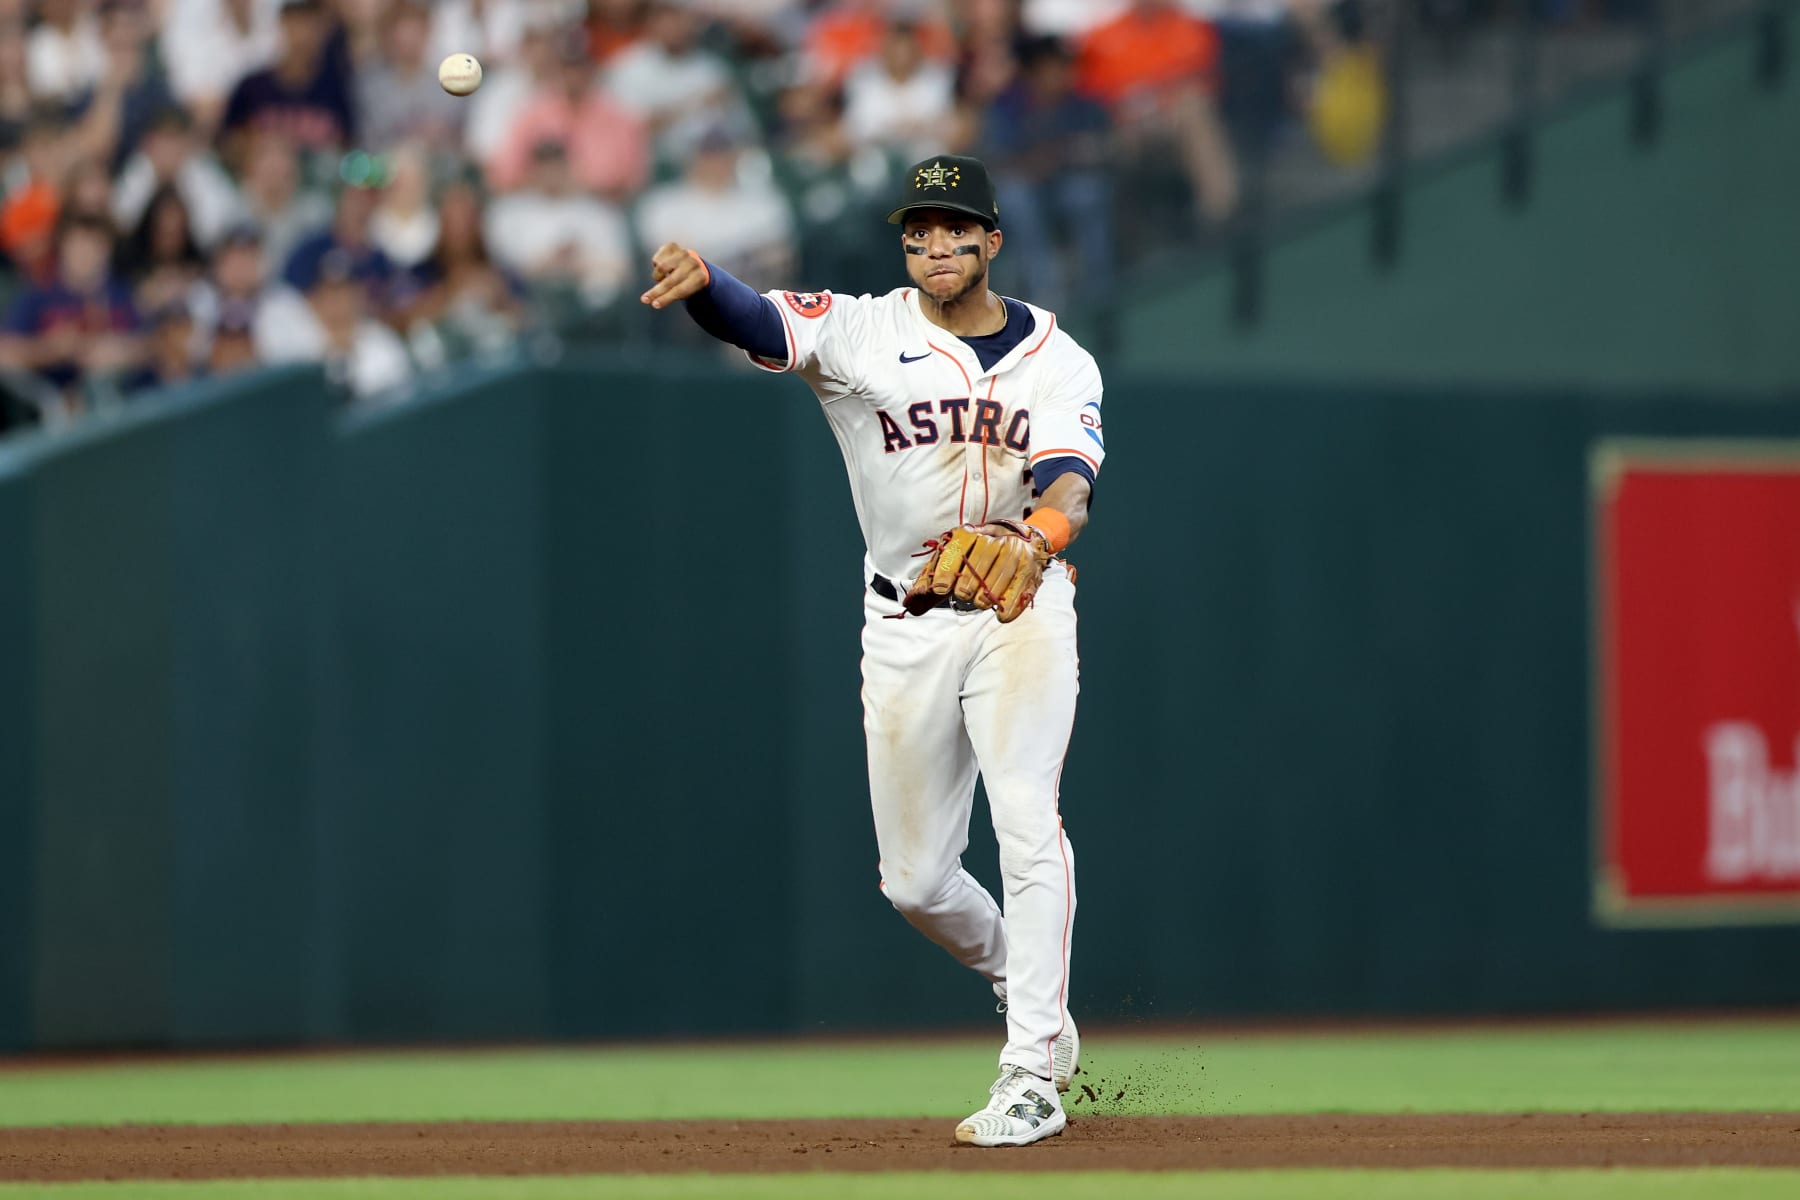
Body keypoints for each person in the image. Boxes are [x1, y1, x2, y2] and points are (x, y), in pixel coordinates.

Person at [640, 153, 1100, 1147]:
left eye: (955, 227)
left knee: (1026, 819)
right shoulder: (862, 330)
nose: (935, 243)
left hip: (1022, 611)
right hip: (901, 620)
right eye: (918, 229)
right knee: (917, 883)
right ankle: (1037, 996)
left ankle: (1030, 1072)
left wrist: (1039, 540)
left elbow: (1069, 483)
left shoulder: (1060, 360)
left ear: (993, 241)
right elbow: (764, 322)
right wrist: (709, 289)